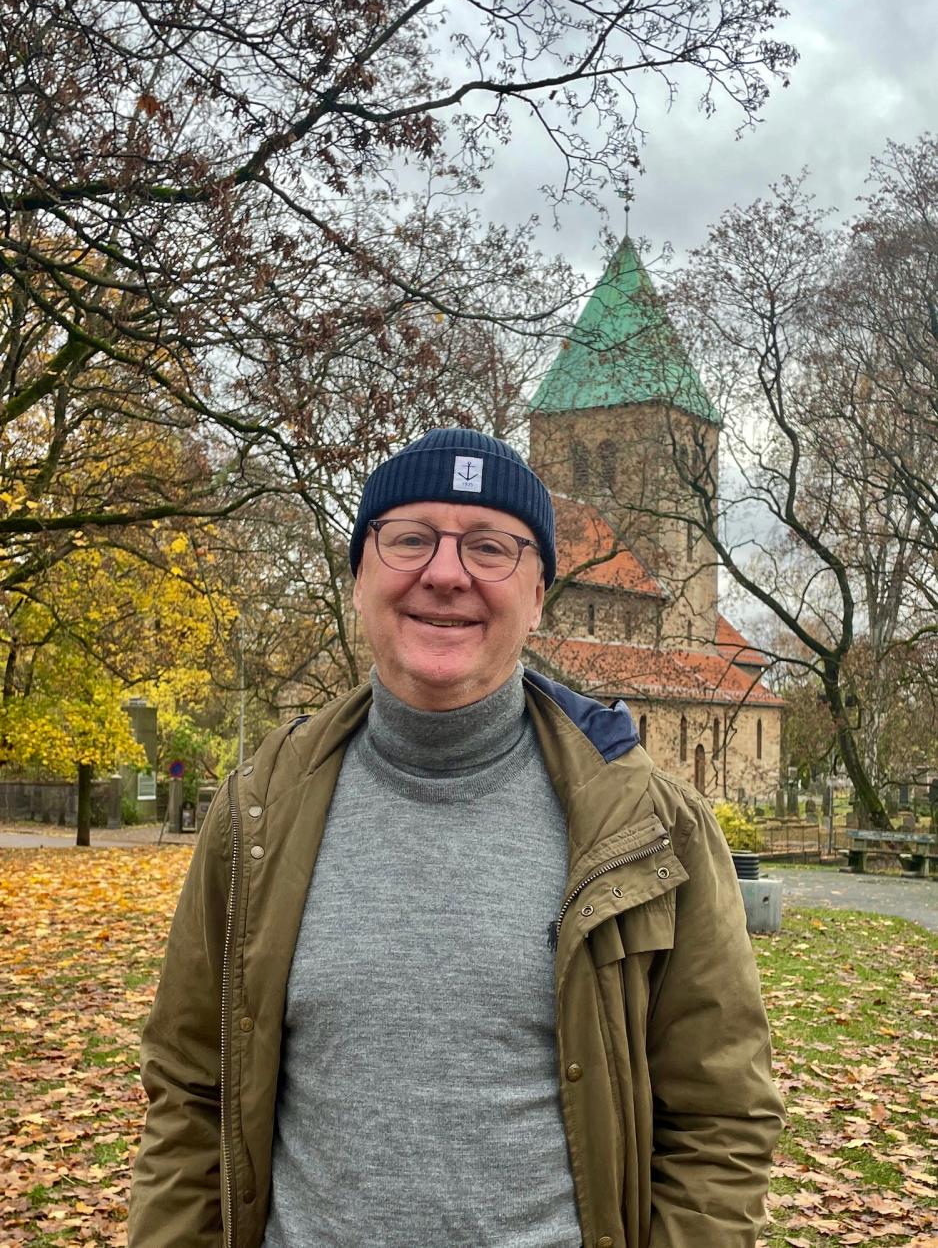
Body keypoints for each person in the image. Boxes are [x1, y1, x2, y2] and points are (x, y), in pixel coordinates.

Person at [129, 427, 784, 1248]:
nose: (446, 573)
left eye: (490, 547)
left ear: (541, 592)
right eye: (408, 539)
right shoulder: (257, 814)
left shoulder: (655, 826)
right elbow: (190, 1092)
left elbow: (721, 1116)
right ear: (359, 578)